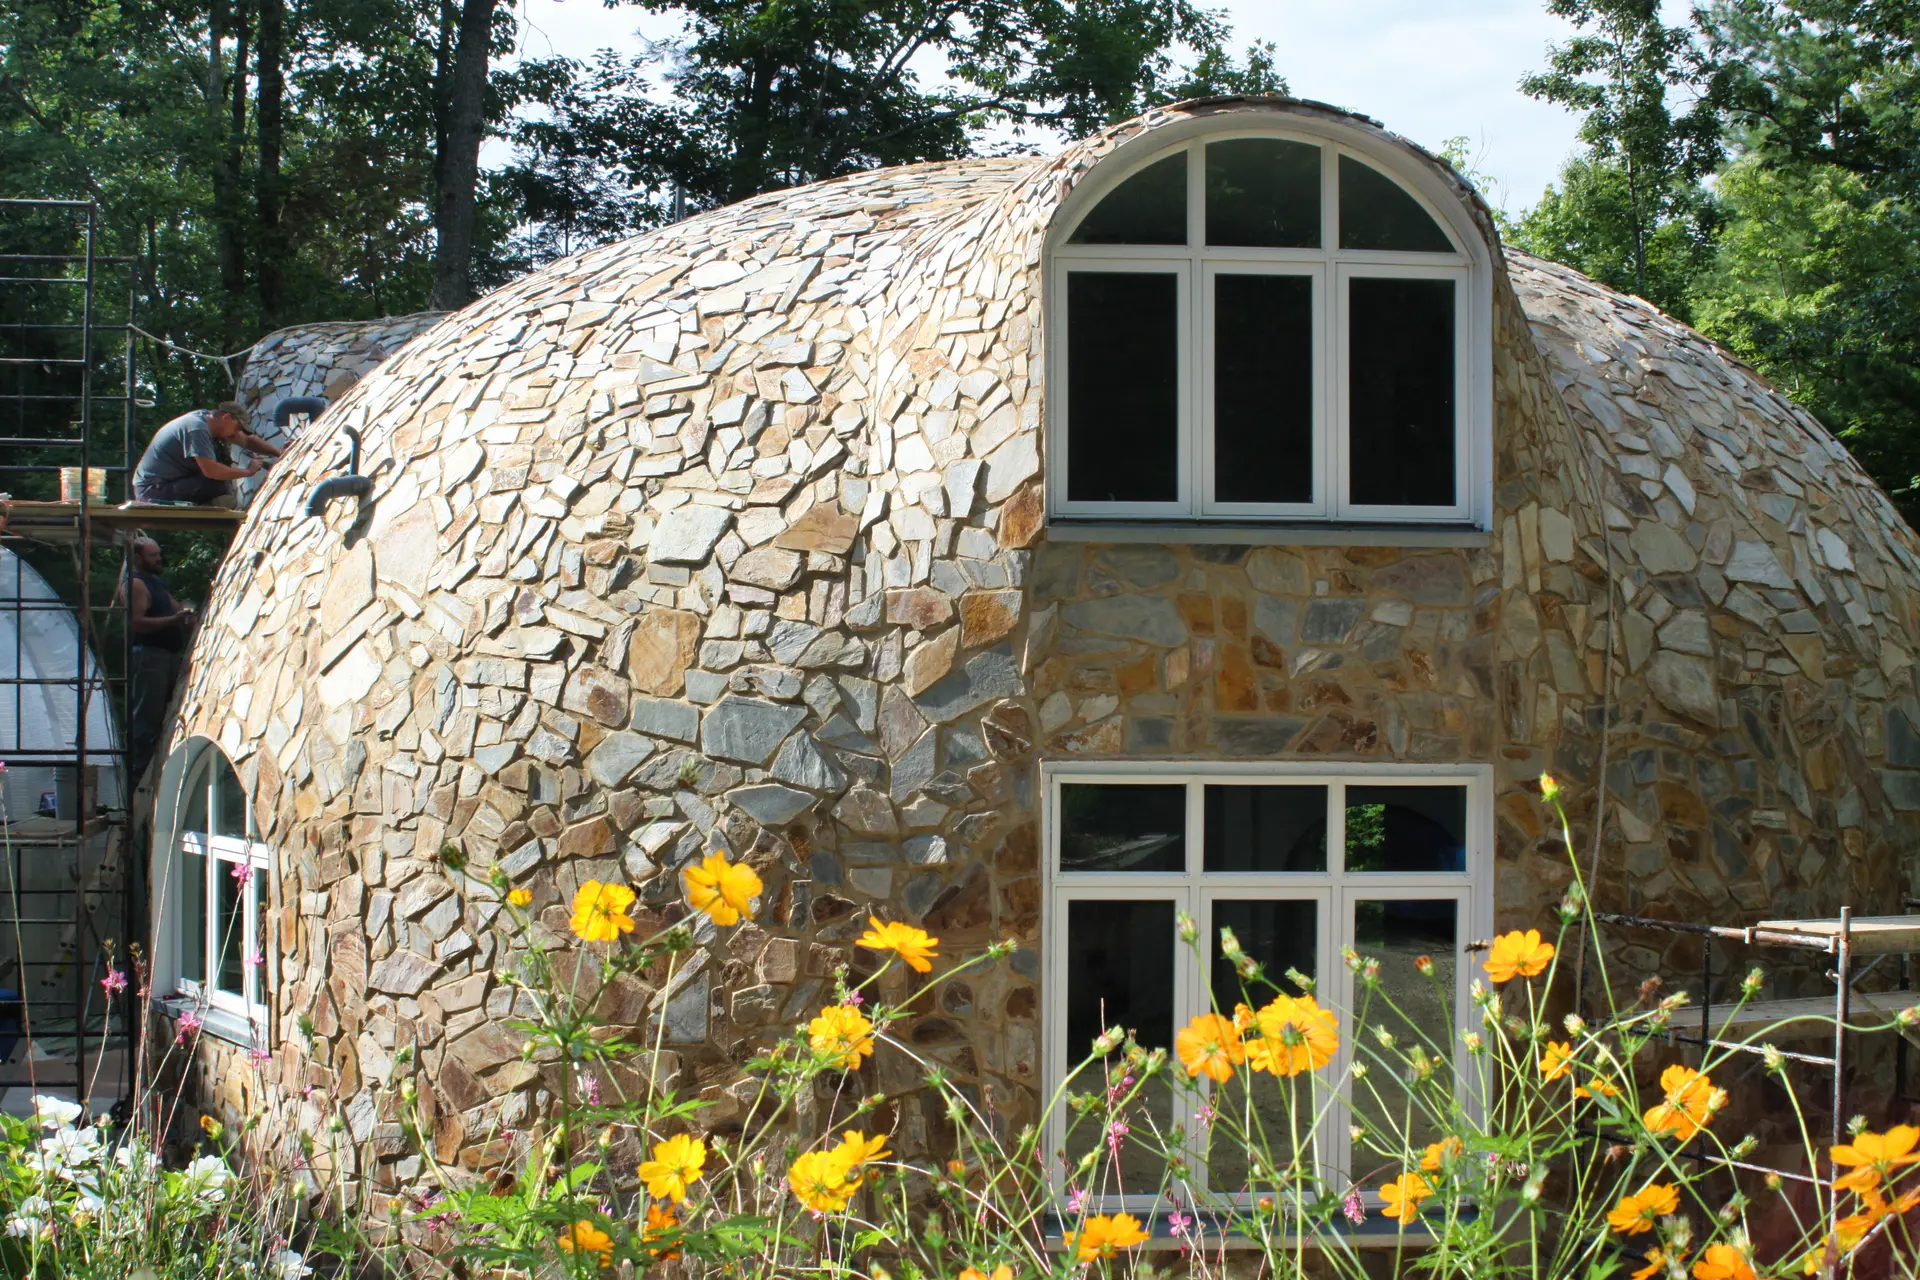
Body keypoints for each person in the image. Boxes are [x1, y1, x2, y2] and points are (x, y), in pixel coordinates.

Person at [120, 536, 193, 781]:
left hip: (166, 656)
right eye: (152, 556)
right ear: (138, 558)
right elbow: (136, 623)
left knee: (163, 717)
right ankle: (137, 781)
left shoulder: (156, 582)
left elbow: (175, 608)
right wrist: (172, 621)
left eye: (158, 554)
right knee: (146, 722)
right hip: (149, 657)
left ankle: (157, 777)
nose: (158, 559)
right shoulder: (136, 584)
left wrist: (187, 614)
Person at [131, 401, 282, 506]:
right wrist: (247, 472)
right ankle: (205, 506)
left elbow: (247, 441)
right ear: (226, 417)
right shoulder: (197, 429)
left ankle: (206, 503)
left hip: (161, 485)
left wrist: (279, 453)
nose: (237, 432)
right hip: (152, 492)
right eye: (237, 427)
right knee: (218, 482)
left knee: (221, 484)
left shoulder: (204, 418)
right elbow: (211, 471)